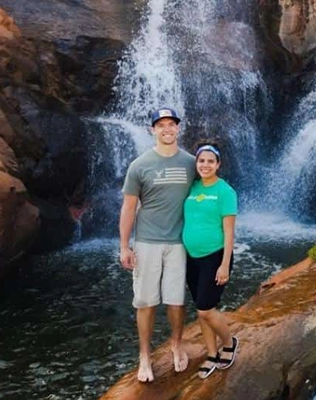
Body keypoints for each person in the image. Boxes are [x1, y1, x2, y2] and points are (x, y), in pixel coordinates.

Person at [119, 107, 196, 382]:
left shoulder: (191, 163)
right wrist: (124, 246)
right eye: (161, 125)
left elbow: (205, 196)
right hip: (147, 242)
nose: (166, 129)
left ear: (178, 128)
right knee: (146, 302)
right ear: (153, 130)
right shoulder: (139, 165)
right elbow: (129, 208)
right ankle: (144, 356)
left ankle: (176, 345)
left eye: (171, 124)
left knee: (176, 302)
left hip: (178, 243)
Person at [182, 141, 239, 379]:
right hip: (191, 258)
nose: (205, 165)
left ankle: (229, 343)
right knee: (202, 309)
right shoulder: (192, 187)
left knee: (206, 309)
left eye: (210, 161)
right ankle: (212, 354)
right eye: (201, 161)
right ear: (196, 163)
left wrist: (224, 264)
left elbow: (229, 232)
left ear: (218, 165)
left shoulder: (225, 192)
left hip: (214, 257)